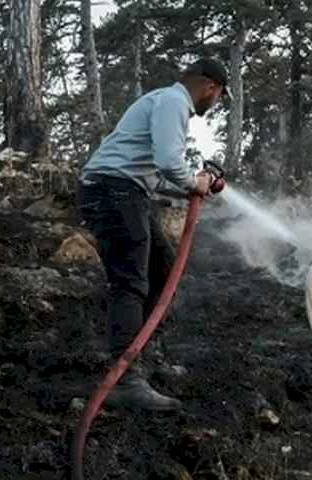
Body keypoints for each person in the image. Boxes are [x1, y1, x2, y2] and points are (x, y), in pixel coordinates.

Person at [76, 57, 227, 411]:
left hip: (125, 190)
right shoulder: (174, 102)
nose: (215, 103)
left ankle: (137, 356)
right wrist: (194, 181)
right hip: (112, 191)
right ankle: (124, 379)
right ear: (211, 89)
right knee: (130, 280)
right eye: (218, 97)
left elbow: (157, 174)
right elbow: (169, 164)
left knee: (161, 270)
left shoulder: (164, 102)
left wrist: (193, 186)